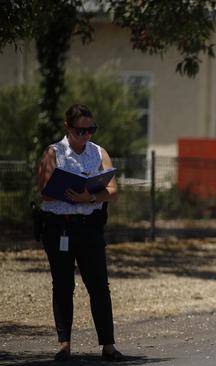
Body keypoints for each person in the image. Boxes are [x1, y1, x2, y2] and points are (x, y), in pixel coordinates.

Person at [37, 104, 124, 362]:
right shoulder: (54, 152)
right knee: (63, 285)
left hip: (89, 227)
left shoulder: (99, 152)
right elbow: (43, 188)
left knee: (99, 286)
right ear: (68, 128)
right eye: (80, 130)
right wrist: (68, 192)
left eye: (91, 130)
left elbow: (113, 190)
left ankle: (108, 345)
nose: (86, 135)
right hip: (59, 227)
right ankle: (64, 344)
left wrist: (89, 196)